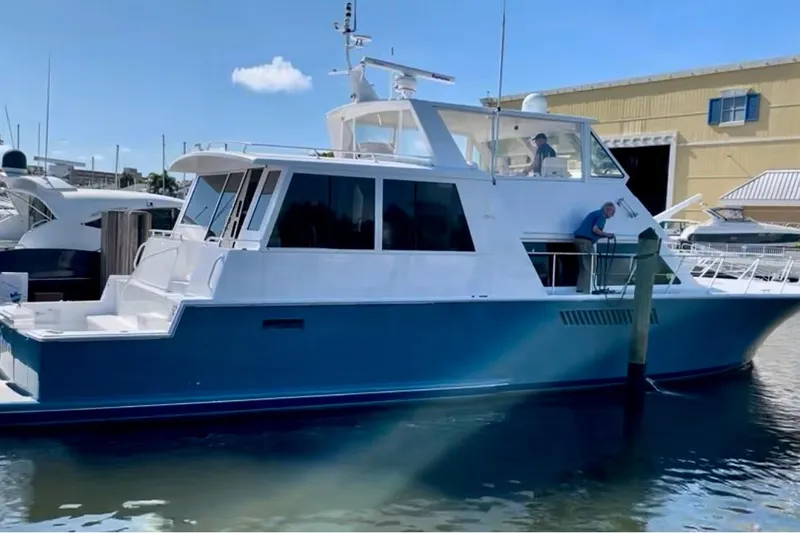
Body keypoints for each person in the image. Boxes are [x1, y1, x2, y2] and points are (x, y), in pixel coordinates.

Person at [573, 202, 616, 293]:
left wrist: (604, 235)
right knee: (590, 265)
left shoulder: (594, 213)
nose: (612, 216)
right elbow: (595, 229)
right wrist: (607, 235)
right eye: (613, 213)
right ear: (608, 210)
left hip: (579, 240)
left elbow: (593, 231)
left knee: (584, 265)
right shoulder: (601, 216)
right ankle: (585, 291)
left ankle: (580, 288)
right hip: (585, 242)